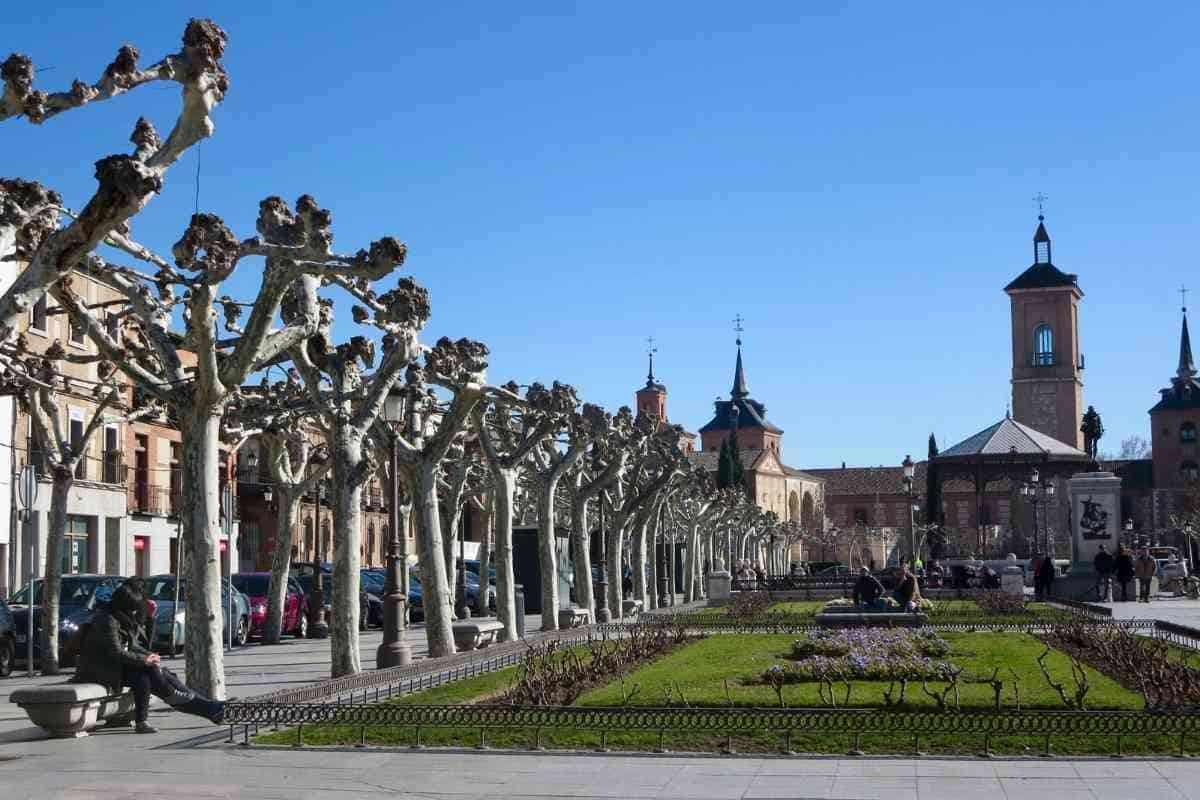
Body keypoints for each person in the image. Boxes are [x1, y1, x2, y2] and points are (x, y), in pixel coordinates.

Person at [73, 577, 224, 734]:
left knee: (155, 672)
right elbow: (116, 652)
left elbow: (137, 645)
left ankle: (208, 707)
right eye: (133, 608)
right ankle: (192, 703)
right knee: (146, 675)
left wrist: (150, 653)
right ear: (124, 605)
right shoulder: (107, 620)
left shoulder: (122, 617)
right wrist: (145, 659)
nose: (135, 611)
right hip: (100, 669)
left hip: (117, 665)